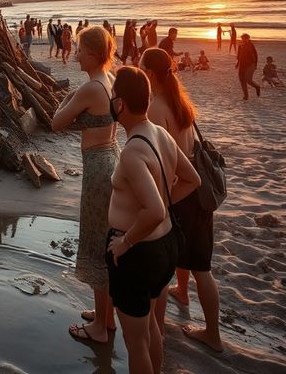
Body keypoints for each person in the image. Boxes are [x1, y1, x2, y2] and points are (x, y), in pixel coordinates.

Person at [105, 67, 201, 373]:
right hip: (165, 245)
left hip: (138, 254)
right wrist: (166, 190)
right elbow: (192, 179)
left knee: (136, 344)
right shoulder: (160, 133)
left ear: (120, 103)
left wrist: (124, 243)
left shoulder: (132, 151)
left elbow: (155, 210)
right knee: (150, 330)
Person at [141, 48, 223, 353]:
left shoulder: (157, 108)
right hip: (198, 194)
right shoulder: (180, 101)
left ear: (150, 74)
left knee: (200, 265)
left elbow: (160, 161)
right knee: (190, 255)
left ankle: (213, 334)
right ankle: (183, 291)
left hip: (182, 193)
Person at [51, 26, 118, 344]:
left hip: (96, 168)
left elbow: (56, 122)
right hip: (109, 158)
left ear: (91, 54)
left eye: (78, 49)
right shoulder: (110, 80)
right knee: (106, 238)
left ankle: (100, 330)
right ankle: (108, 315)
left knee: (94, 242)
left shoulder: (91, 87)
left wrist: (66, 99)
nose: (74, 53)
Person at [236, 33, 260, 99]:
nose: (244, 40)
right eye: (243, 38)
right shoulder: (240, 46)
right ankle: (246, 96)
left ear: (248, 39)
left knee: (248, 79)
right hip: (242, 65)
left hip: (250, 64)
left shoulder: (251, 45)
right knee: (242, 80)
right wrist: (237, 63)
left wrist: (255, 64)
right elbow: (239, 56)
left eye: (245, 39)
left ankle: (257, 86)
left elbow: (255, 55)